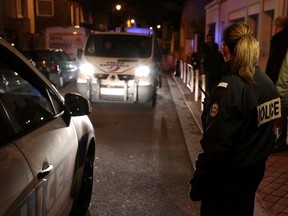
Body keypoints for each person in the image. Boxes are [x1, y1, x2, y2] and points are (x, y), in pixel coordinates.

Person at [189, 23, 281, 216]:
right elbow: (270, 133)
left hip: (225, 182)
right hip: (252, 175)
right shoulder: (267, 84)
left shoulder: (230, 89)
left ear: (225, 49)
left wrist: (199, 181)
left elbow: (215, 147)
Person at [265, 16, 288, 152]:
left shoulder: (281, 41)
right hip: (279, 85)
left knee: (278, 116)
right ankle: (278, 141)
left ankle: (278, 142)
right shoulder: (281, 40)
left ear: (277, 27)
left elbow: (280, 68)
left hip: (279, 86)